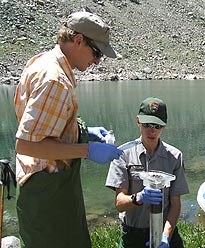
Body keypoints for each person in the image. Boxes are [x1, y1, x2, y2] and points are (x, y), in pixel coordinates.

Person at [14, 11, 123, 248]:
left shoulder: (41, 62)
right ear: (78, 40)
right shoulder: (54, 80)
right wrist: (87, 150)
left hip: (44, 188)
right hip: (48, 194)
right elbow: (26, 145)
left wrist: (84, 131)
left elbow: (45, 126)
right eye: (97, 53)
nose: (97, 62)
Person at [105, 97, 189, 248]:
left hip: (165, 231)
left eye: (157, 126)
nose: (152, 130)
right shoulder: (123, 154)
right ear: (138, 121)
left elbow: (175, 204)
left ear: (164, 126)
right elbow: (119, 204)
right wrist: (139, 197)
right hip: (133, 234)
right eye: (147, 124)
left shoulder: (175, 156)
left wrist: (165, 236)